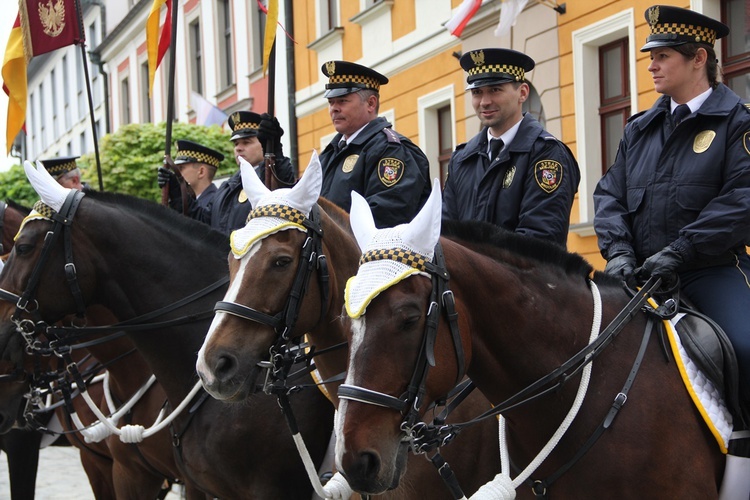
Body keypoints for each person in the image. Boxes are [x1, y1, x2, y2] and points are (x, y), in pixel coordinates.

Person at [593, 6, 750, 414]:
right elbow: (609, 194)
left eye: (662, 56)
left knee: (747, 347)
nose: (651, 66)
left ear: (699, 58)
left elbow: (741, 200)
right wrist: (620, 252)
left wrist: (680, 251)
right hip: (640, 274)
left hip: (709, 270)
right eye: (651, 56)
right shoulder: (639, 128)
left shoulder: (737, 123)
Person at [442, 48, 580, 248]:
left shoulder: (546, 155)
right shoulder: (462, 159)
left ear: (522, 93)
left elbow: (538, 242)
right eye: (477, 92)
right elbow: (445, 233)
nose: (485, 101)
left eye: (495, 90)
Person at [318, 60, 431, 228]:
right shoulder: (330, 153)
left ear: (371, 103)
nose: (333, 109)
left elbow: (385, 216)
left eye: (342, 101)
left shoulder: (391, 150)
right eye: (331, 102)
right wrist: (276, 157)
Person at [157, 112, 296, 234]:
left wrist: (274, 151)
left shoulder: (268, 176)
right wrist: (176, 191)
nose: (239, 148)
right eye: (236, 144)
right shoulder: (227, 187)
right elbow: (202, 221)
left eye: (246, 142)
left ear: (263, 144)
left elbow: (282, 184)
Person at [162, 140, 223, 212]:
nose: (176, 173)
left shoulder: (216, 204)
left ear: (201, 172)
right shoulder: (190, 201)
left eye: (181, 168)